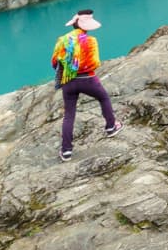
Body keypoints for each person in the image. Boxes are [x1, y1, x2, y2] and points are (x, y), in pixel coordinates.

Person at [50, 9, 120, 160]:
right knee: (103, 98)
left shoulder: (62, 40)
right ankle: (111, 127)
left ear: (74, 25)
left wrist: (69, 69)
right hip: (88, 79)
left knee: (69, 115)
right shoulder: (91, 41)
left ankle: (66, 150)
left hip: (68, 81)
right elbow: (95, 63)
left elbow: (54, 62)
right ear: (88, 27)